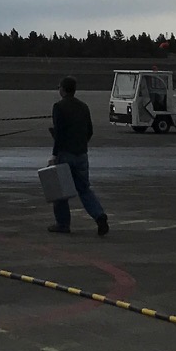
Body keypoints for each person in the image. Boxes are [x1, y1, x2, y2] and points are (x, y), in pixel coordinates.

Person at [46, 76, 108, 236]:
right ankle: (99, 215)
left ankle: (63, 224)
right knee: (84, 189)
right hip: (81, 154)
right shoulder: (83, 106)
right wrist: (80, 144)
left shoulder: (59, 107)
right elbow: (90, 131)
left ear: (63, 89)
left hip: (65, 154)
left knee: (60, 192)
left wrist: (54, 154)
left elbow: (59, 134)